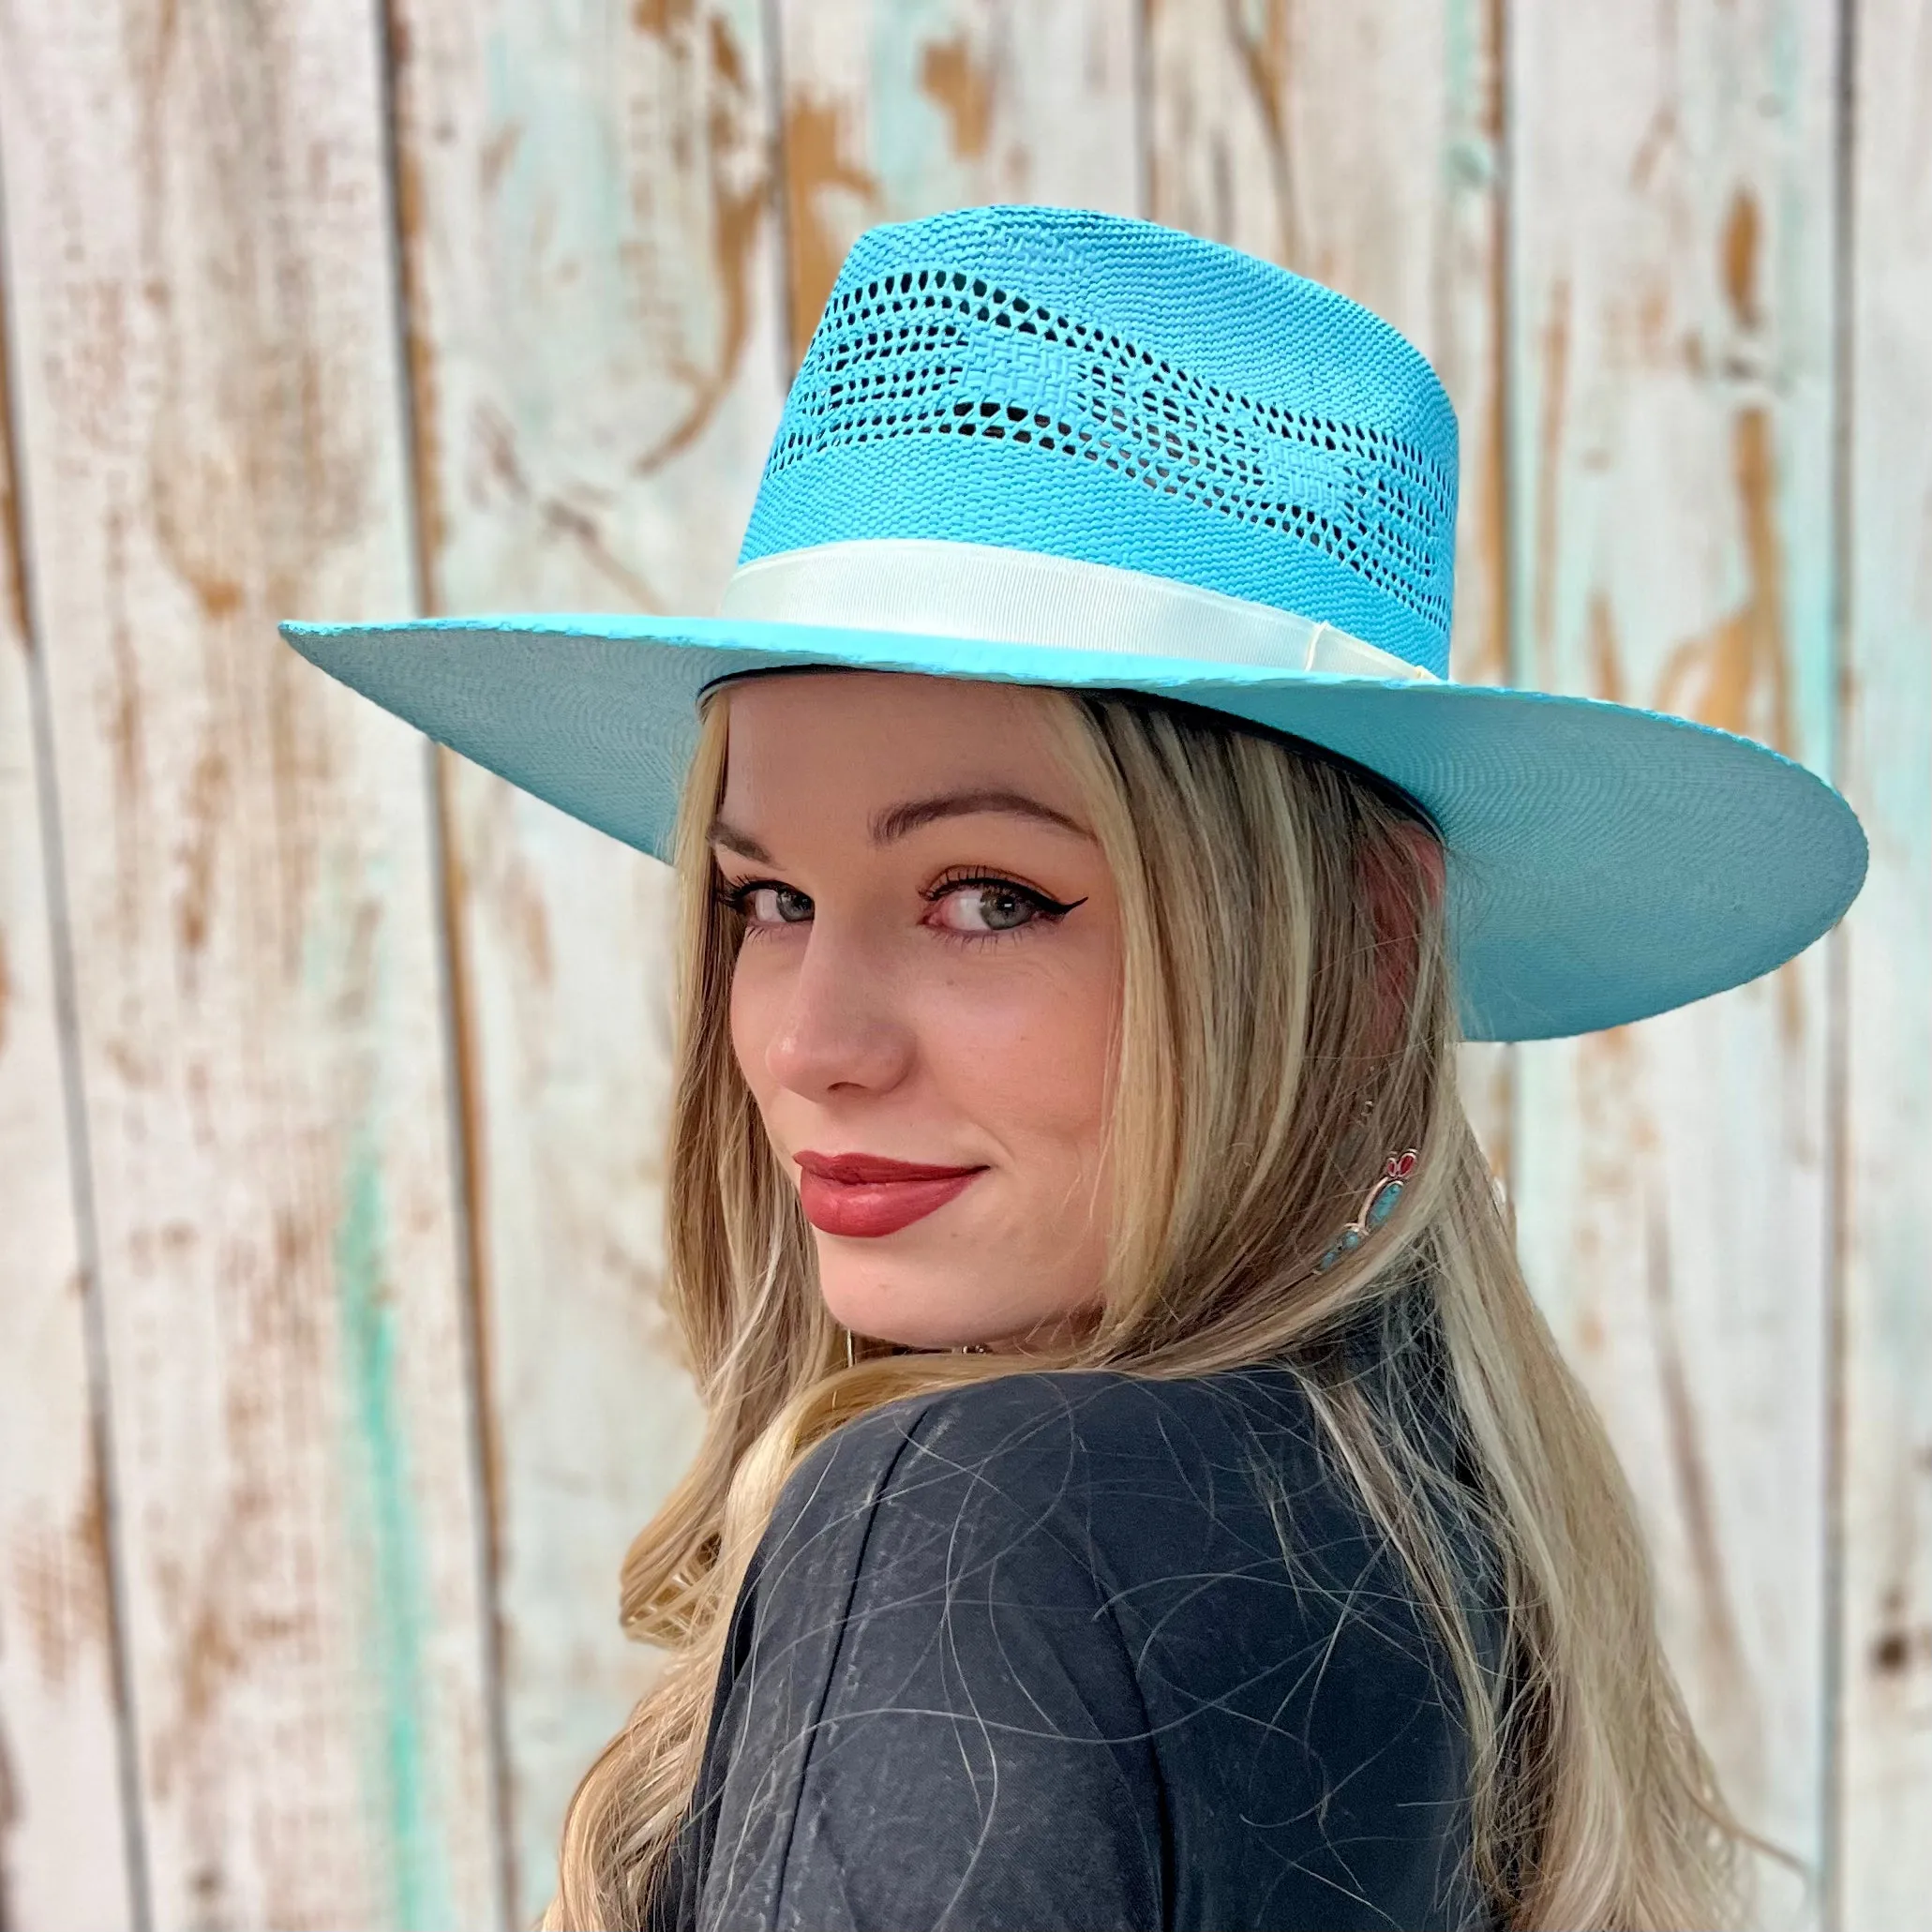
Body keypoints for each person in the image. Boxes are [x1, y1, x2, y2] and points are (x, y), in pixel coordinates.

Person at [286, 207, 1865, 1930]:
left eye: (987, 897)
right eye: (771, 898)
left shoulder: (974, 1517)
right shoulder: (1426, 1517)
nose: (813, 1044)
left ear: (1366, 949)